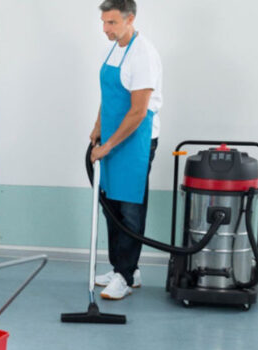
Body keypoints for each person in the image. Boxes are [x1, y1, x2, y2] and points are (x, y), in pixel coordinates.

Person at [89, 0, 162, 300]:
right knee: (112, 208)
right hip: (113, 139)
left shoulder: (143, 54)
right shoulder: (117, 46)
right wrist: (97, 127)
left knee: (130, 209)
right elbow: (109, 95)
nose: (105, 29)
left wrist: (107, 145)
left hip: (135, 141)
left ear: (129, 19)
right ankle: (123, 267)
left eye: (112, 23)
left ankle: (125, 275)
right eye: (104, 22)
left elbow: (137, 112)